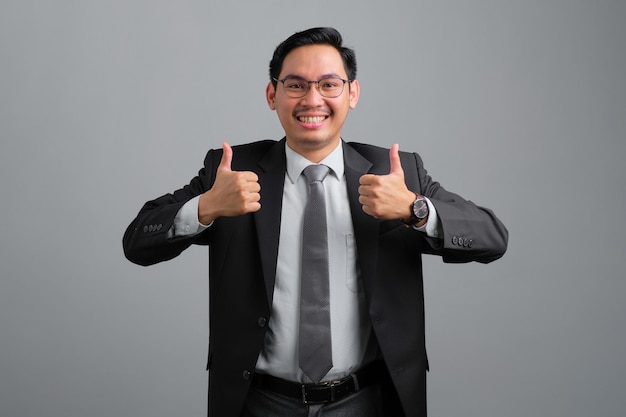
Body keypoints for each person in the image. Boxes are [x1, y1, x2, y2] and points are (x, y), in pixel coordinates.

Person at [123, 27, 508, 417]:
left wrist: (415, 209)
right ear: (272, 95)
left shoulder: (398, 173)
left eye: (329, 84)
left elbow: (492, 237)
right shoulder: (230, 172)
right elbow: (137, 241)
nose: (312, 100)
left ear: (352, 93)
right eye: (295, 85)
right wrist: (206, 206)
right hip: (259, 402)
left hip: (369, 400)